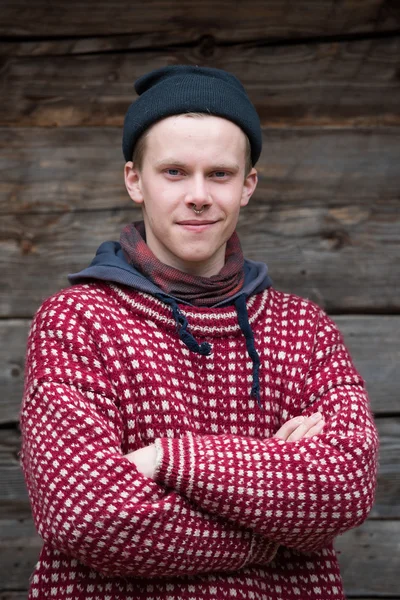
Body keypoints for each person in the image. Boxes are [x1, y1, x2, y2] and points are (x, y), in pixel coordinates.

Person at [20, 65, 378, 600]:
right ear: (134, 180)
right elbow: (87, 515)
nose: (198, 195)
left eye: (219, 174)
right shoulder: (78, 322)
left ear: (247, 185)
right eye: (173, 172)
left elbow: (346, 483)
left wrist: (166, 459)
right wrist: (272, 535)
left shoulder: (304, 329)